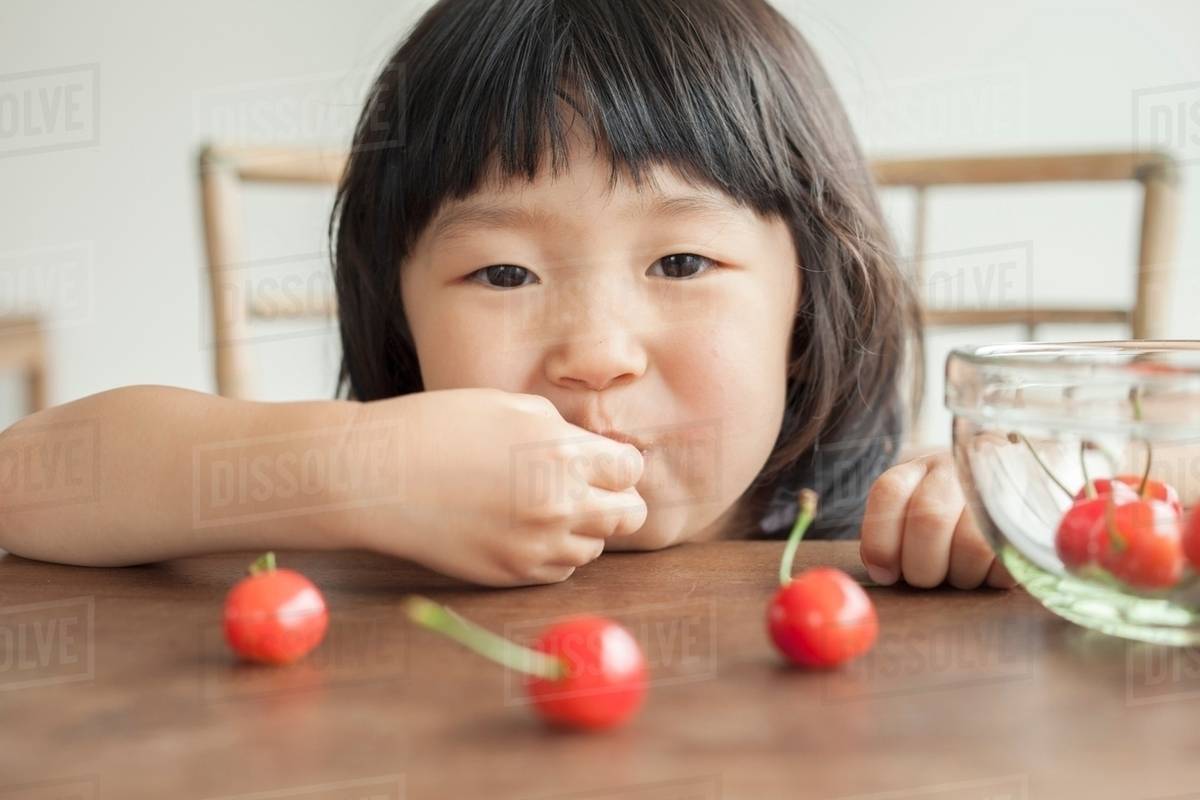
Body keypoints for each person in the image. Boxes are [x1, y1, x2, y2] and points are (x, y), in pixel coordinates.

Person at [0, 0, 1011, 590]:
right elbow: (28, 478)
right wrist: (362, 466)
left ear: (812, 294)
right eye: (503, 273)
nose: (596, 350)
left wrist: (985, 513)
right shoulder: (378, 518)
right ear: (396, 311)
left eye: (681, 263)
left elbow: (1155, 493)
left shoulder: (856, 538)